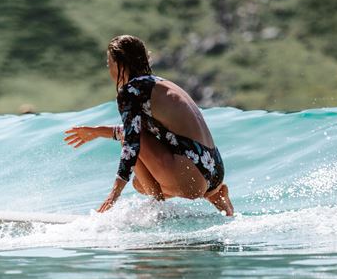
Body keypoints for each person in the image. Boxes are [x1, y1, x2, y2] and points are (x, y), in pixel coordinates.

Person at [64, 35, 234, 215]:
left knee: (134, 156)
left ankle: (157, 211)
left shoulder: (130, 91)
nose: (109, 70)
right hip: (213, 167)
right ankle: (216, 195)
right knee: (139, 183)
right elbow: (137, 132)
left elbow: (132, 141)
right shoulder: (158, 84)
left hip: (190, 175)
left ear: (120, 63)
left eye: (109, 64)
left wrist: (114, 194)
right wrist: (98, 132)